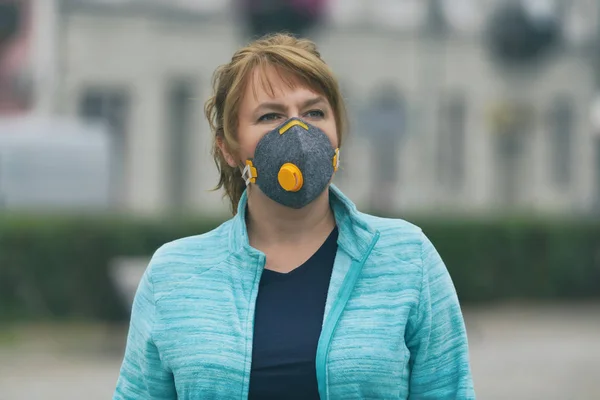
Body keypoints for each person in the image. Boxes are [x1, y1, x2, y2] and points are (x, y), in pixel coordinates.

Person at [113, 33, 475, 400]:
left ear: (338, 134)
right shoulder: (174, 274)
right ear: (229, 148)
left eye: (314, 112)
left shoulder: (407, 258)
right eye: (270, 116)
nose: (297, 132)